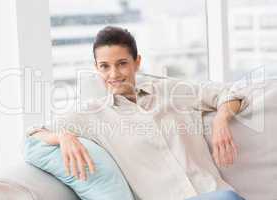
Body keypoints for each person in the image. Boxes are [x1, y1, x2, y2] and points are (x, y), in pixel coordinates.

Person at [28, 26, 248, 199]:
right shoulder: (92, 115)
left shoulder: (170, 91)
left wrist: (221, 119)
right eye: (104, 66)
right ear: (97, 68)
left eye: (122, 63)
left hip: (218, 195)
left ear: (137, 62)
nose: (113, 74)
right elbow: (32, 135)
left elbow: (232, 94)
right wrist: (63, 136)